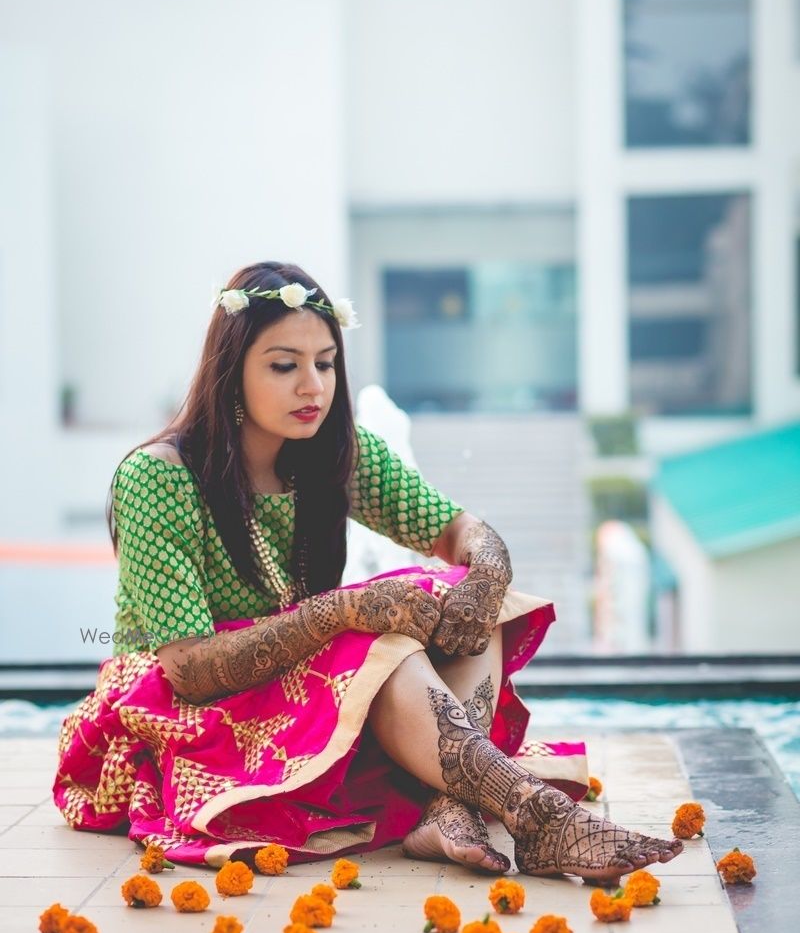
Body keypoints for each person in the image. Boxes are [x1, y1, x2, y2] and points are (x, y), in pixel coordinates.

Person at [53, 262, 683, 881]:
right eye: (284, 366)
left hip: (299, 682)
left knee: (465, 599)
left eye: (325, 363)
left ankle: (450, 806)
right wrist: (339, 614)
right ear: (229, 371)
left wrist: (485, 575)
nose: (313, 387)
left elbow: (460, 532)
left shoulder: (334, 452)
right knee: (367, 632)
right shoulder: (159, 478)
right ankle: (536, 815)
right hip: (175, 710)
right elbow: (188, 670)